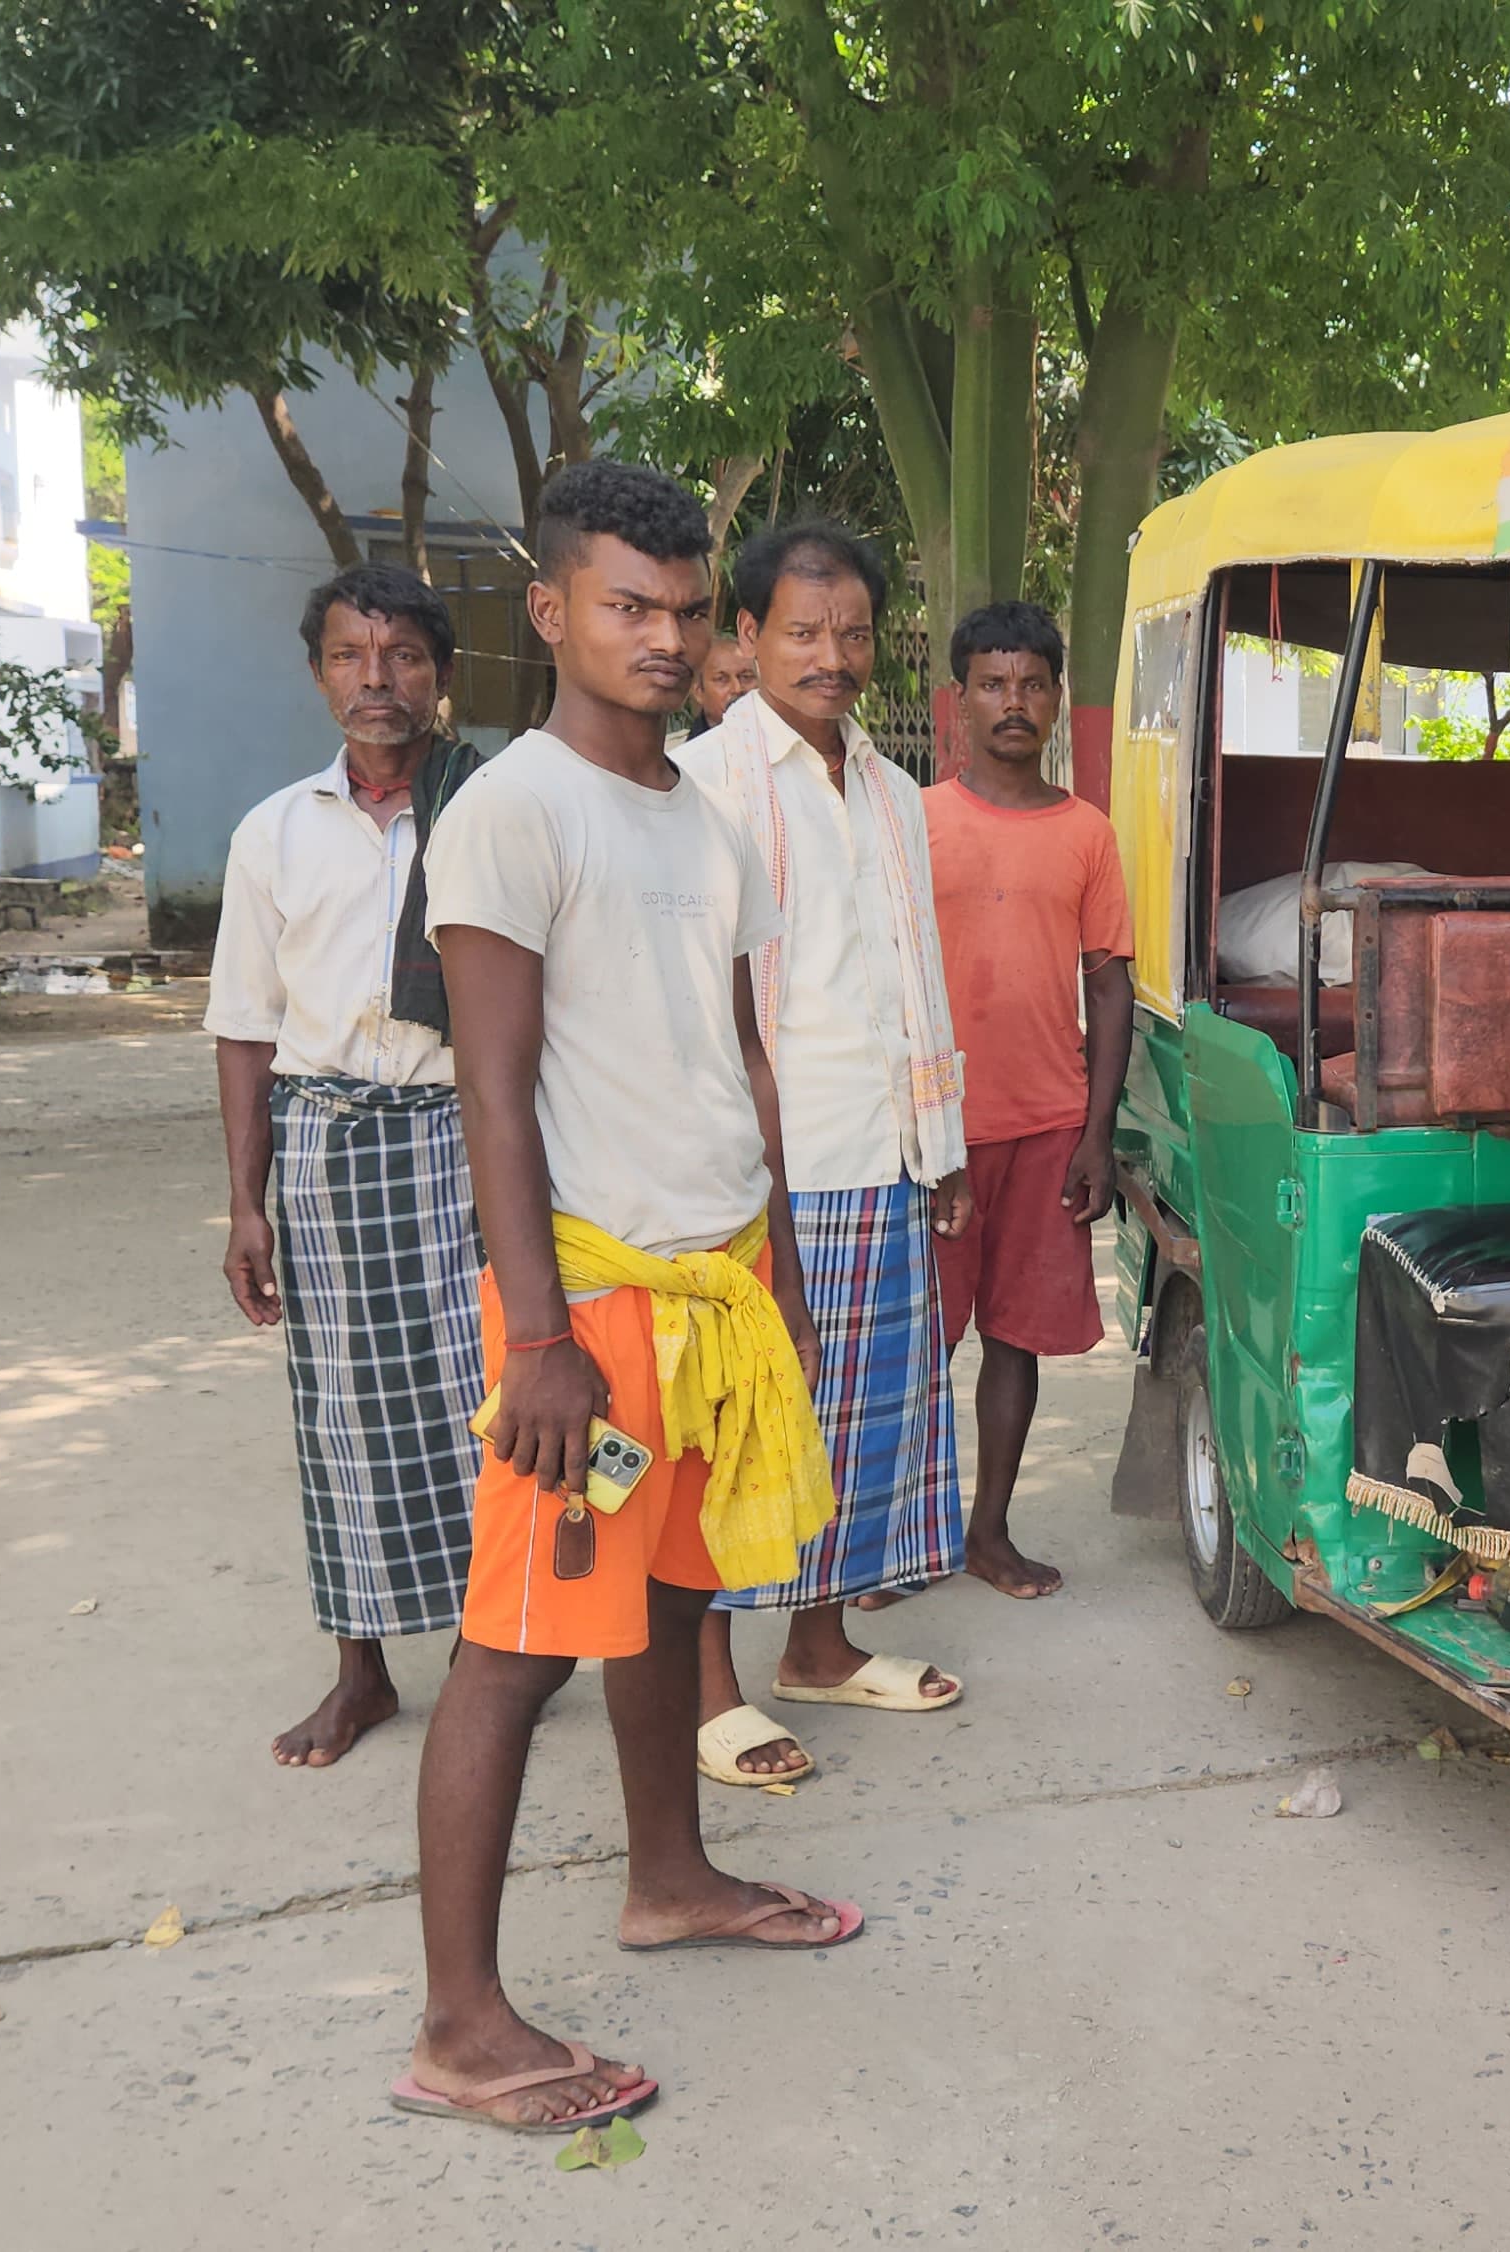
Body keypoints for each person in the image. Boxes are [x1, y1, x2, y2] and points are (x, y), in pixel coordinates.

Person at [399, 459, 860, 2136]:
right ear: (554, 614)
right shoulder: (511, 810)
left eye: (683, 610)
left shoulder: (702, 815)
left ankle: (668, 1874)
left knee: (674, 1604)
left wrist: (784, 1271)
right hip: (586, 1316)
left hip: (713, 1293)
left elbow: (743, 1060)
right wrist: (534, 1341)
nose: (663, 639)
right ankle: (459, 2022)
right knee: (515, 1650)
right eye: (627, 608)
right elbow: (494, 1098)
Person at [672, 520, 973, 1784]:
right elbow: (695, 1002)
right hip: (757, 1166)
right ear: (746, 636)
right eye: (803, 630)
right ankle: (705, 1688)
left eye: (853, 632)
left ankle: (820, 1644)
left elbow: (917, 975)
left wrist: (942, 1140)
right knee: (736, 1430)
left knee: (856, 1426)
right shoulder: (700, 783)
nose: (832, 655)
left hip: (883, 1151)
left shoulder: (893, 790)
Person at [208, 563, 487, 1768]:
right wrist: (244, 1205)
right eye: (349, 657)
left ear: (440, 674)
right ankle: (361, 1670)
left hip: (469, 1137)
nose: (377, 682)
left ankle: (505, 1648)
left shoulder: (485, 812)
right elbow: (245, 1027)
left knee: (496, 1398)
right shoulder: (272, 832)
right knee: (343, 1416)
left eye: (403, 657)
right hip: (326, 1148)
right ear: (319, 671)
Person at [925, 600, 1129, 1600]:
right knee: (910, 1347)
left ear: (1054, 696)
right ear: (959, 699)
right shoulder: (914, 822)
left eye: (1032, 683)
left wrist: (1098, 1131)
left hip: (1047, 1125)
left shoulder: (1088, 835)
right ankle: (894, 1542)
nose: (1014, 701)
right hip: (931, 1132)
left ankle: (987, 1532)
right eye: (994, 683)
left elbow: (1111, 983)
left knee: (1015, 1337)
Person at [689, 633, 755, 733]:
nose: (737, 689)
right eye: (721, 679)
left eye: (746, 677)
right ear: (699, 692)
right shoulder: (687, 748)